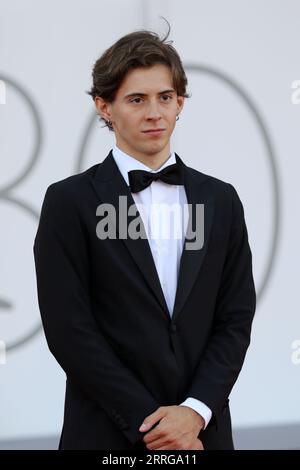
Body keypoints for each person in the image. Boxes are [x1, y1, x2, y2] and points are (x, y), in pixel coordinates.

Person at [33, 22, 256, 451]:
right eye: (136, 99)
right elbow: (69, 330)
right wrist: (150, 423)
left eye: (165, 97)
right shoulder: (69, 202)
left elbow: (235, 317)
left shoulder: (221, 200)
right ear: (105, 107)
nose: (155, 112)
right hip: (107, 434)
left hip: (201, 436)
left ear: (180, 104)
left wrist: (195, 412)